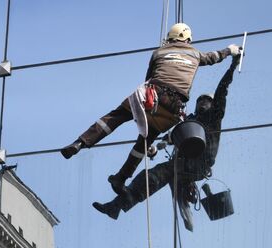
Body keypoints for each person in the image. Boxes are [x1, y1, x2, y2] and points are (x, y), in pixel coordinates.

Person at [61, 23, 241, 195]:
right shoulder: (195, 54)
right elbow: (214, 57)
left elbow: (150, 77)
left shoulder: (159, 52)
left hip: (151, 94)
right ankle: (120, 178)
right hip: (173, 106)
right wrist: (230, 51)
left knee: (116, 116)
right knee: (145, 140)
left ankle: (80, 143)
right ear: (188, 39)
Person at [92, 55, 240, 231]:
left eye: (206, 101)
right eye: (199, 101)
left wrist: (232, 67)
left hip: (199, 164)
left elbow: (222, 89)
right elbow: (174, 136)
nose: (202, 104)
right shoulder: (191, 120)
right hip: (185, 163)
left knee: (161, 173)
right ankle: (117, 206)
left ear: (213, 104)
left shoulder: (214, 118)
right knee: (154, 177)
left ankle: (121, 204)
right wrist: (157, 146)